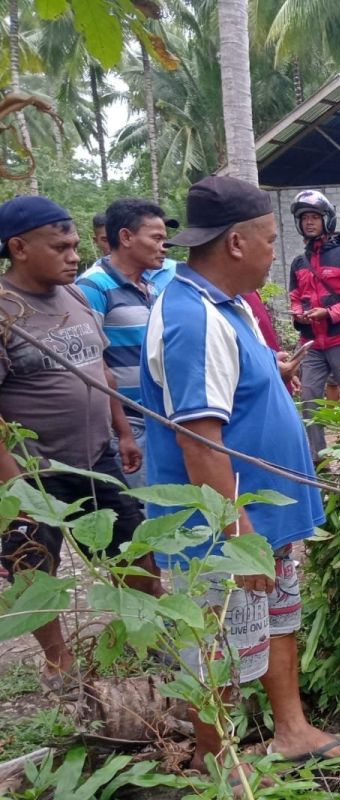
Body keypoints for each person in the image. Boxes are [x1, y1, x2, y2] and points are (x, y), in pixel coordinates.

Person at [141, 176, 340, 784]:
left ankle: (290, 732)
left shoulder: (228, 306)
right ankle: (222, 767)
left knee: (277, 620)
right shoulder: (190, 317)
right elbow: (199, 439)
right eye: (267, 238)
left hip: (266, 516)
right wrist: (237, 537)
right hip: (222, 530)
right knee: (221, 641)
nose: (273, 250)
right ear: (235, 242)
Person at [0, 196, 162, 688]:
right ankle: (58, 663)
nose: (74, 255)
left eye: (74, 245)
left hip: (96, 459)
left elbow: (100, 371)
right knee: (34, 567)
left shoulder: (73, 297)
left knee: (135, 550)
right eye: (61, 246)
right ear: (19, 248)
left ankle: (148, 641)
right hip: (31, 471)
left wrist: (119, 431)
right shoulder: (5, 310)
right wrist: (16, 490)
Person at [77, 199, 176, 489]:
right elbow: (93, 364)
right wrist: (123, 433)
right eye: (156, 238)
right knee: (142, 518)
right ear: (126, 237)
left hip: (158, 419)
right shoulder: (92, 288)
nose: (163, 247)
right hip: (129, 424)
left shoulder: (152, 288)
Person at [287, 190, 340, 462]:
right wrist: (299, 313)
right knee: (310, 400)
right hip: (311, 345)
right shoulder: (298, 263)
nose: (309, 223)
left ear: (327, 220)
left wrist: (331, 313)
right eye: (305, 218)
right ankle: (317, 461)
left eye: (314, 217)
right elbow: (294, 297)